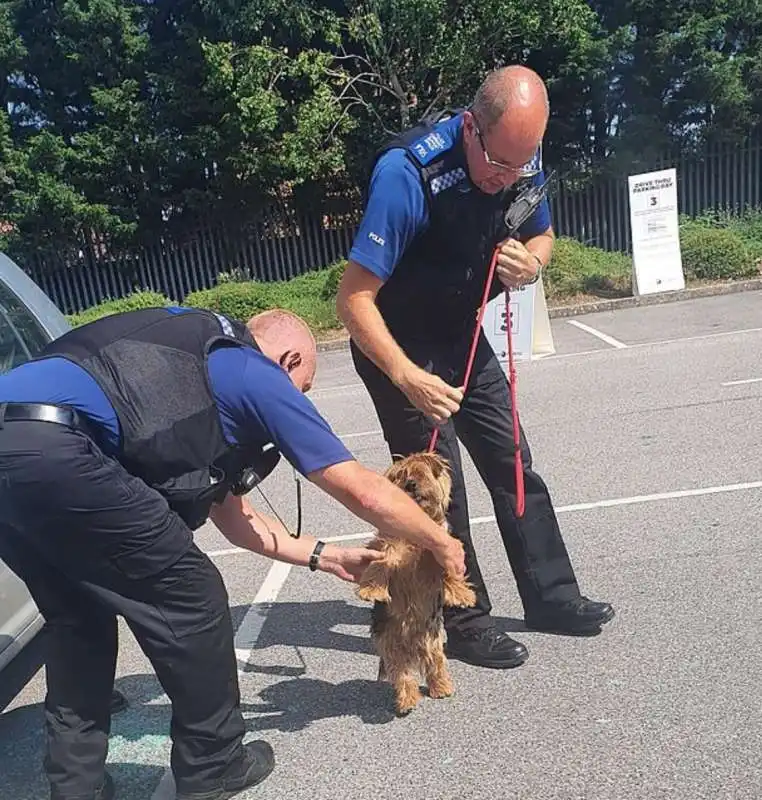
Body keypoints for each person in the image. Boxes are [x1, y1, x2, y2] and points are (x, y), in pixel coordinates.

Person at [0, 304, 465, 800]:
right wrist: (442, 542)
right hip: (54, 446)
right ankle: (214, 764)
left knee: (78, 617)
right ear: (288, 361)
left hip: (18, 447)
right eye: (304, 385)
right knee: (192, 594)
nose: (301, 397)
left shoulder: (184, 368)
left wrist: (325, 555)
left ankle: (76, 787)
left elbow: (236, 520)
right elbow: (361, 489)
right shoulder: (251, 371)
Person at [336, 64, 615, 672]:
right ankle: (464, 620)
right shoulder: (407, 174)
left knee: (513, 461)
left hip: (462, 333)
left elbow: (541, 238)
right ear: (470, 127)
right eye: (498, 165)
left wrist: (531, 265)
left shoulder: (520, 155)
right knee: (441, 489)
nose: (507, 179)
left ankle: (551, 598)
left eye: (521, 165)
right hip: (397, 345)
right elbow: (352, 300)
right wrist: (406, 375)